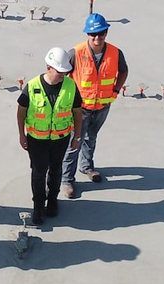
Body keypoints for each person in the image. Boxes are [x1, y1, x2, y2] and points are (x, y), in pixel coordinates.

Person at [62, 13, 129, 198]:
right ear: (87, 34)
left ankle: (87, 167)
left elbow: (123, 71)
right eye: (93, 34)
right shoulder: (76, 53)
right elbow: (61, 73)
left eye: (101, 33)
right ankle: (67, 179)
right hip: (80, 109)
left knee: (91, 138)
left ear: (106, 33)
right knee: (74, 142)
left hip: (102, 106)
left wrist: (115, 90)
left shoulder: (116, 53)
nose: (97, 38)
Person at [16, 47, 83, 225]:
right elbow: (21, 111)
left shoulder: (70, 86)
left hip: (60, 139)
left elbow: (77, 112)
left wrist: (77, 136)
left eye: (64, 72)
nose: (62, 75)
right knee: (38, 172)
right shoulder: (32, 86)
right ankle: (38, 206)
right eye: (59, 71)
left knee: (55, 170)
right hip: (36, 140)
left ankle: (52, 200)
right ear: (48, 67)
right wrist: (21, 135)